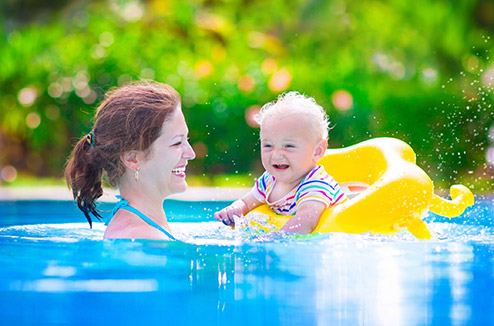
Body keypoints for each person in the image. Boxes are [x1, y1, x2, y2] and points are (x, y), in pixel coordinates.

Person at [65, 81, 196, 240]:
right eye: (177, 143)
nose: (191, 153)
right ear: (133, 158)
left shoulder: (144, 227)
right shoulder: (142, 238)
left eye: (186, 139)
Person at [214, 92, 347, 234]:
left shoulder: (317, 184)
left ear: (317, 151)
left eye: (288, 146)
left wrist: (274, 240)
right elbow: (247, 202)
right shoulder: (269, 180)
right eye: (268, 146)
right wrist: (234, 210)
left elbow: (305, 222)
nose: (276, 154)